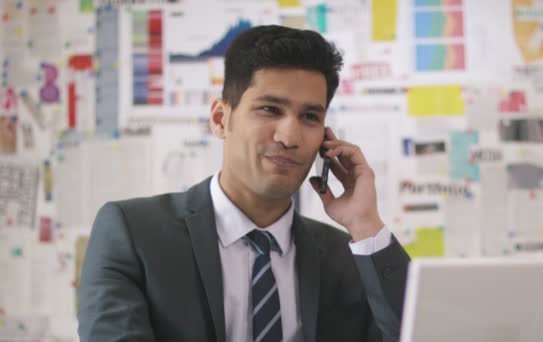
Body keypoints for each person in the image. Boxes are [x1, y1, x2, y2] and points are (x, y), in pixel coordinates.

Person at [78, 25, 410, 342]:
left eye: (310, 117)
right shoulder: (132, 234)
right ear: (221, 119)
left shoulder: (351, 258)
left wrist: (365, 224)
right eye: (269, 109)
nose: (289, 136)